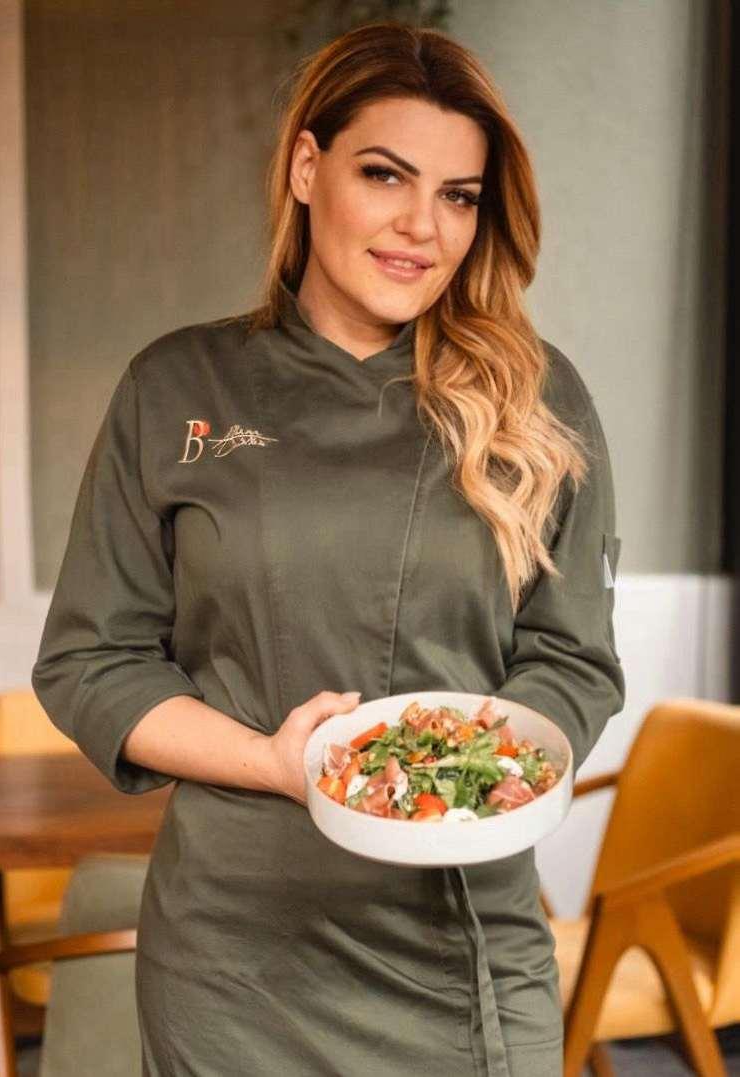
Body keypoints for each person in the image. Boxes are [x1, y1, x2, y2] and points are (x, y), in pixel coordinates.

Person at [32, 21, 625, 1077]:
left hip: (461, 947)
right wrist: (273, 761)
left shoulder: (536, 400)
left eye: (458, 195)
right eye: (383, 175)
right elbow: (93, 659)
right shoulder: (175, 386)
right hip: (235, 960)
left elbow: (572, 660)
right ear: (307, 169)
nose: (420, 227)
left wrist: (473, 775)